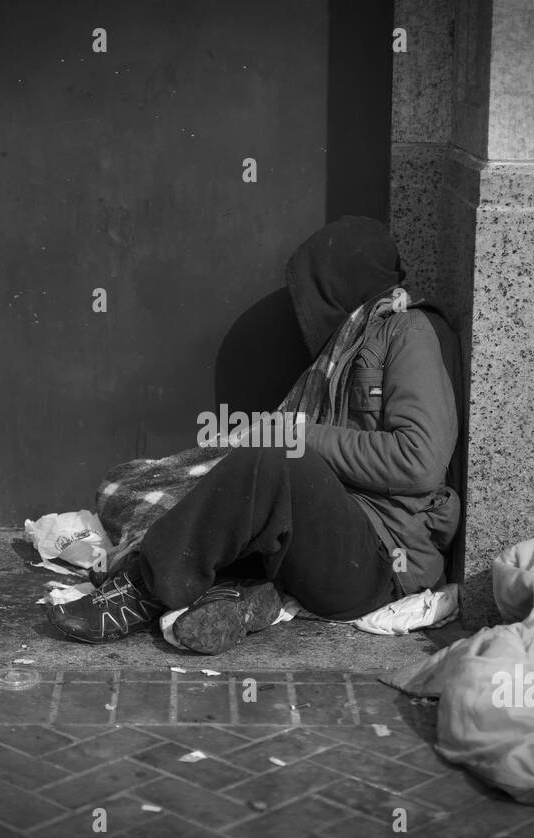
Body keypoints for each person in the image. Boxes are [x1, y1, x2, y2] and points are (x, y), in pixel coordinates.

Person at [48, 216, 460, 654]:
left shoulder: (410, 331)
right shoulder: (356, 339)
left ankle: (141, 592)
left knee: (274, 461)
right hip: (340, 538)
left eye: (314, 292)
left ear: (337, 283)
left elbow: (420, 463)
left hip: (382, 562)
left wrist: (295, 433)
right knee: (146, 481)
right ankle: (234, 596)